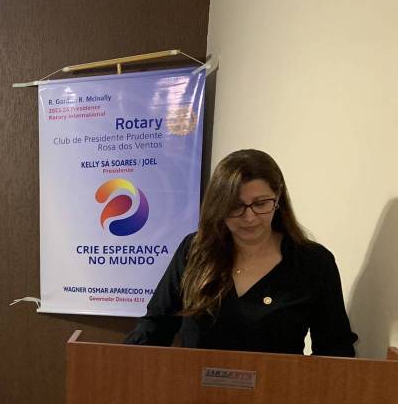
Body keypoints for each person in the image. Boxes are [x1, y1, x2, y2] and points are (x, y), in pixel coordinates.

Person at [125, 149, 357, 356]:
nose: (249, 217)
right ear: (218, 206)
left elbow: (335, 347)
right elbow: (155, 326)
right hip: (194, 388)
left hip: (278, 389)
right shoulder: (194, 250)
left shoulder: (313, 262)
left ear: (278, 200)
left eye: (260, 203)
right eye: (235, 206)